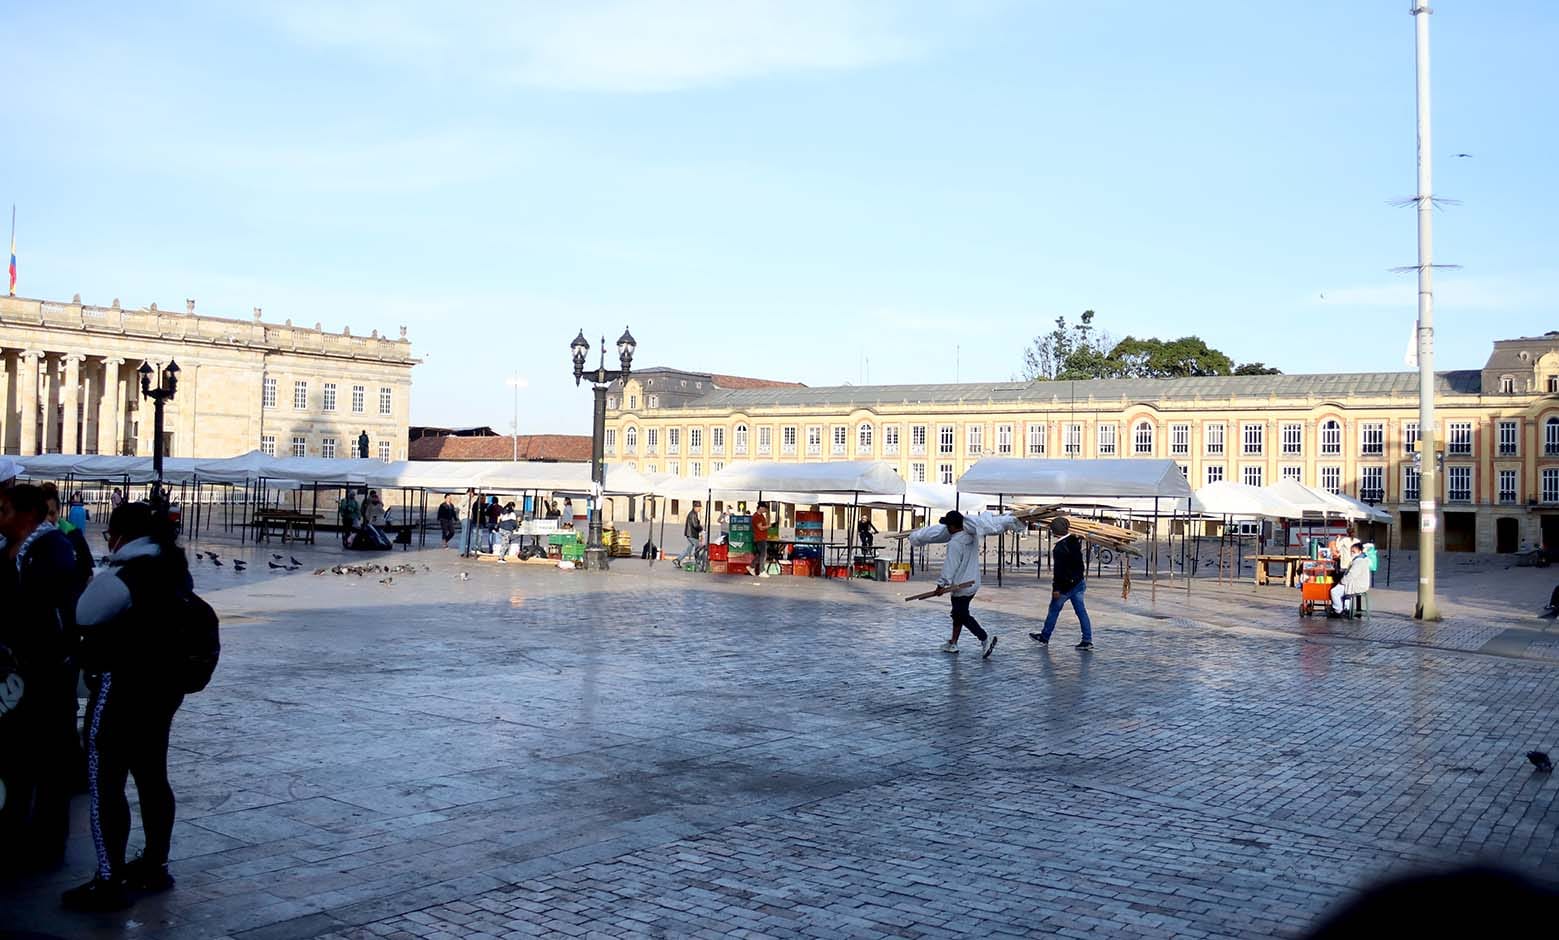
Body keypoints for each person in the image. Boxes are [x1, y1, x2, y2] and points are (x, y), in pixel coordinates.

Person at [64, 501, 190, 911]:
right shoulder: (173, 569)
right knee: (153, 778)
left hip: (120, 690)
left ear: (121, 536)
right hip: (162, 691)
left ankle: (108, 877)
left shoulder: (126, 574)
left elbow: (83, 612)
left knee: (106, 784)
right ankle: (155, 863)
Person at [0, 484, 85, 876]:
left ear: (27, 514)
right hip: (20, 671)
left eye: (5, 510)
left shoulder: (52, 547)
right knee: (16, 757)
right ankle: (15, 831)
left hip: (49, 671)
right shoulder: (13, 550)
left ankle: (47, 842)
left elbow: (45, 610)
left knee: (49, 759)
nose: (1, 517)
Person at [927, 511, 997, 658]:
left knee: (962, 614)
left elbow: (950, 566)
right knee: (958, 613)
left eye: (947, 525)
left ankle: (985, 638)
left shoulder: (955, 543)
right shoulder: (971, 536)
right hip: (973, 582)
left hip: (960, 586)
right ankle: (953, 642)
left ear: (952, 526)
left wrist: (941, 585)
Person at [1032, 516, 1093, 650]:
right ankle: (1087, 640)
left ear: (1054, 531)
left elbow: (1059, 572)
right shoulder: (1075, 541)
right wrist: (1077, 578)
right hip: (1079, 583)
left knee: (1054, 610)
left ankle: (1044, 637)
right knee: (1081, 612)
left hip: (1066, 587)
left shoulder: (1060, 548)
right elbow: (1079, 565)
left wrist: (1057, 589)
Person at [1328, 542, 1371, 619]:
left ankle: (1338, 610)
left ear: (1360, 552)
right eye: (1351, 551)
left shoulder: (1359, 561)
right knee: (1341, 591)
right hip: (1358, 583)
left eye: (1353, 552)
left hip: (1356, 584)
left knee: (1334, 591)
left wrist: (1342, 581)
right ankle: (1345, 608)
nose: (1351, 553)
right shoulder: (1362, 559)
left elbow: (1351, 575)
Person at [675, 502, 703, 568]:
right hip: (692, 534)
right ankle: (698, 562)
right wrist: (701, 529)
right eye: (699, 507)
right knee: (698, 548)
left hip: (690, 534)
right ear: (695, 507)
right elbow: (695, 525)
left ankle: (678, 560)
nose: (700, 509)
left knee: (688, 549)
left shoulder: (693, 513)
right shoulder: (693, 514)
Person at [749, 504, 771, 577]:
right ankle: (762, 571)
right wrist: (769, 526)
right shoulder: (756, 517)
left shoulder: (761, 516)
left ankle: (751, 566)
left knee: (759, 555)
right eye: (765, 508)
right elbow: (760, 528)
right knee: (763, 554)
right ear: (760, 508)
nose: (765, 510)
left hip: (761, 537)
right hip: (760, 538)